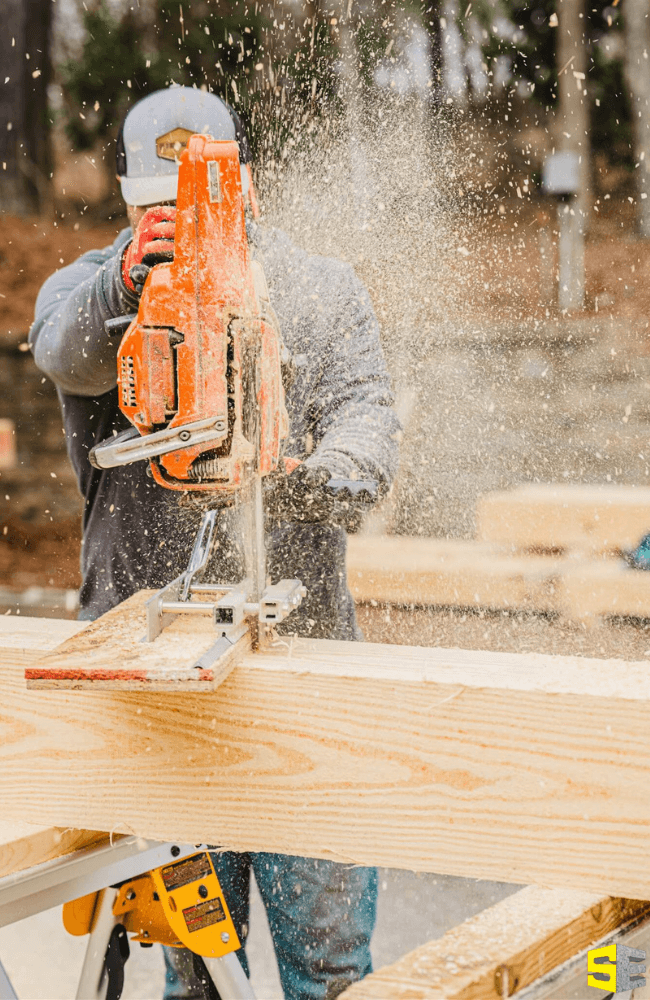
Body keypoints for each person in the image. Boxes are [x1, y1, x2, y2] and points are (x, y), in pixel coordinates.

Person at [29, 86, 400, 1000]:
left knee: (332, 970)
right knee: (195, 974)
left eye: (200, 203)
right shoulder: (88, 291)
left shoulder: (317, 289)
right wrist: (129, 281)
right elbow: (62, 353)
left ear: (250, 187)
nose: (179, 225)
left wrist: (303, 478)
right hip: (154, 687)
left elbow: (367, 424)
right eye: (158, 209)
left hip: (302, 675)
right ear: (127, 203)